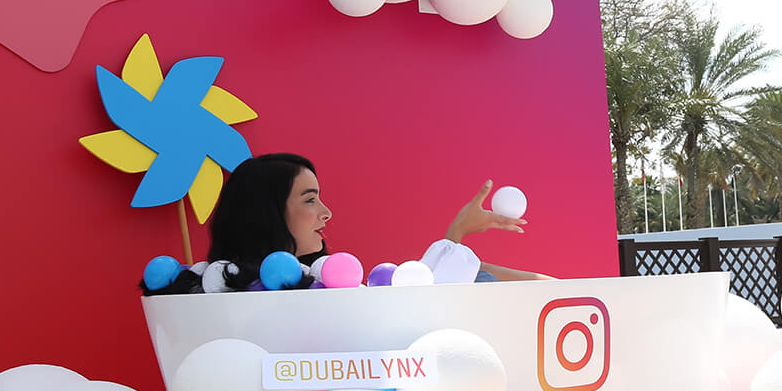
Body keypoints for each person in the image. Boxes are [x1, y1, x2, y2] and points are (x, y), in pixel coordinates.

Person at [147, 152, 546, 293]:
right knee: (480, 281)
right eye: (310, 199)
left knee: (484, 277)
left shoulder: (212, 284)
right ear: (267, 213)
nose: (326, 213)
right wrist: (456, 234)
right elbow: (420, 309)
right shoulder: (286, 296)